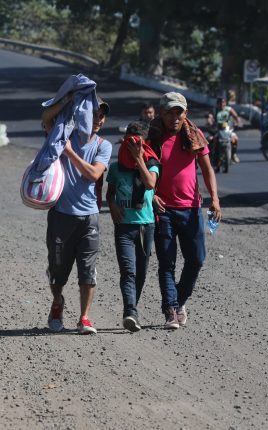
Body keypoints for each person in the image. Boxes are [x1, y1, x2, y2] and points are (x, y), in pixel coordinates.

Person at [40, 78, 112, 335]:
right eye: (94, 114)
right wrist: (68, 99)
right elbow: (47, 118)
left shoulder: (104, 146)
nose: (99, 120)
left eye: (102, 116)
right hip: (61, 215)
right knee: (57, 269)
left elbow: (93, 174)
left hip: (89, 217)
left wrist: (69, 152)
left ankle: (84, 317)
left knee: (88, 270)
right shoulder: (63, 133)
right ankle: (58, 302)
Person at [148, 92, 222, 329]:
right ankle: (171, 310)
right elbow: (140, 172)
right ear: (162, 113)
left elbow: (207, 169)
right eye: (169, 112)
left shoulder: (194, 136)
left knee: (197, 259)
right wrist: (152, 195)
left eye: (178, 112)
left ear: (185, 113)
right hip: (163, 210)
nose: (174, 117)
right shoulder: (152, 137)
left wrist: (215, 199)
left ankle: (178, 300)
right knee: (166, 262)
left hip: (191, 208)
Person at [106, 121, 160, 332]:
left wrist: (139, 158)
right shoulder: (116, 168)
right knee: (128, 271)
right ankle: (130, 311)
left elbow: (150, 184)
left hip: (145, 226)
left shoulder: (152, 164)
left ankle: (132, 308)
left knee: (141, 272)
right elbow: (110, 192)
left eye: (137, 142)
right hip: (124, 226)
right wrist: (111, 205)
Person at [215, 97, 242, 163]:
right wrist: (210, 122)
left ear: (225, 103)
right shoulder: (215, 110)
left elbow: (236, 116)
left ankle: (233, 154)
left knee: (235, 139)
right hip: (218, 130)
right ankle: (213, 156)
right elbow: (210, 118)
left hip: (228, 130)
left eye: (223, 102)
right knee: (212, 140)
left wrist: (238, 122)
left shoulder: (229, 109)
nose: (222, 104)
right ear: (217, 104)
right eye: (220, 103)